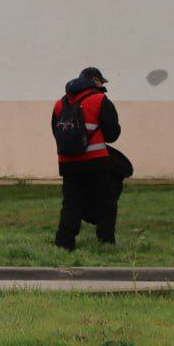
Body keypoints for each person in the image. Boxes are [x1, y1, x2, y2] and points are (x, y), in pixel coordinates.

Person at [52, 66, 121, 251]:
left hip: (68, 163)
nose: (102, 85)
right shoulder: (99, 100)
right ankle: (105, 241)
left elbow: (56, 132)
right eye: (101, 81)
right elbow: (112, 133)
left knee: (71, 204)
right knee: (107, 201)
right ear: (94, 81)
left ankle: (63, 243)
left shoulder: (60, 104)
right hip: (95, 161)